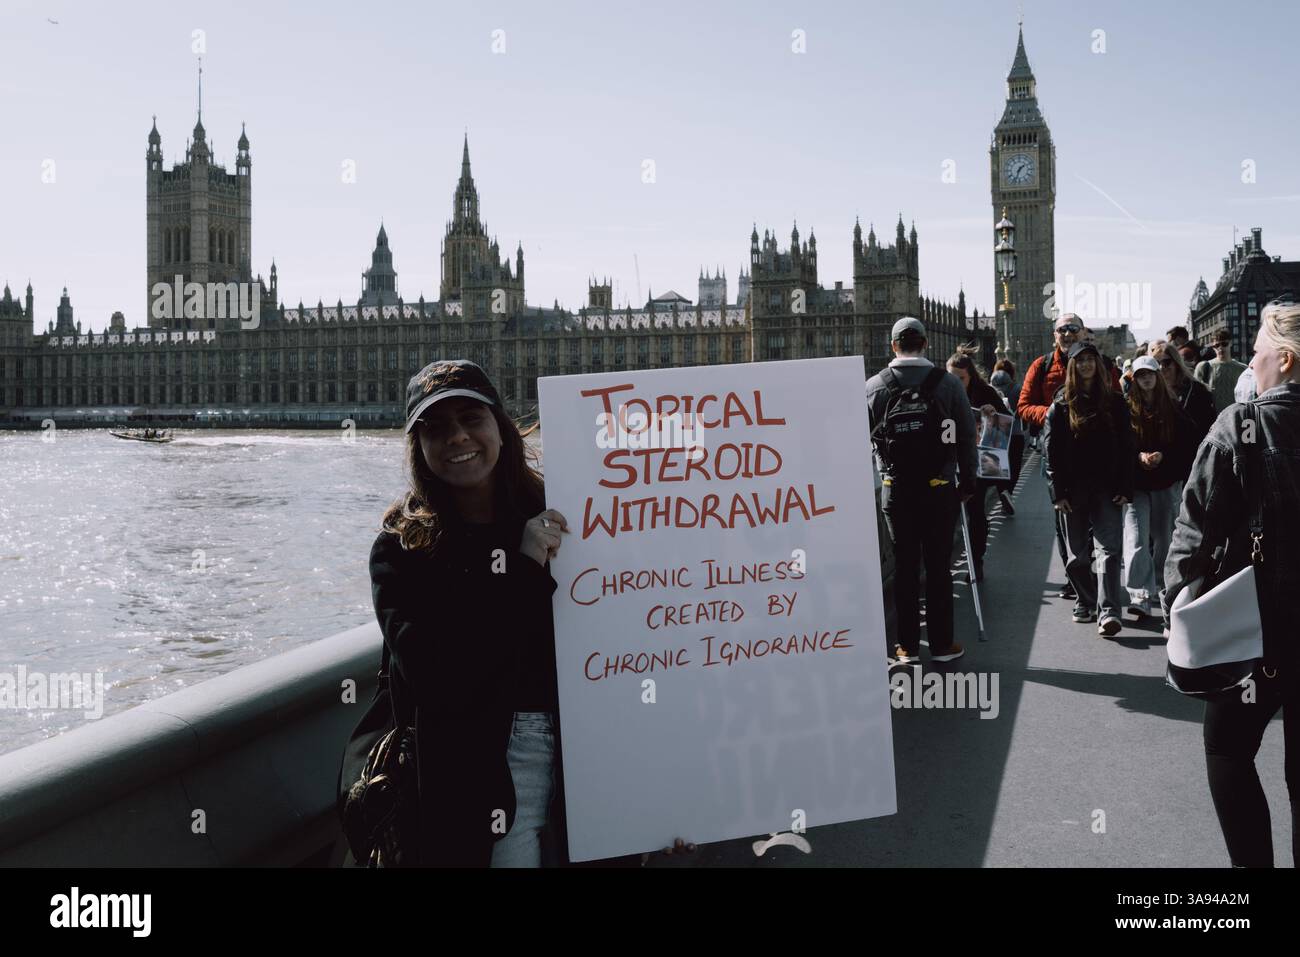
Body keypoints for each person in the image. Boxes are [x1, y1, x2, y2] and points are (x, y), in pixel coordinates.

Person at [367, 358, 572, 867]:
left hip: (587, 748)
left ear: (501, 428)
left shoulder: (570, 513)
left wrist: (666, 802)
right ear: (419, 449)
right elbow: (440, 680)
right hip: (481, 768)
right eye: (435, 428)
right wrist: (523, 568)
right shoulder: (401, 551)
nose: (456, 437)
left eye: (470, 419)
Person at [1164, 298, 1300, 867]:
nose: (1252, 360)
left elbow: (1193, 535)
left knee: (1228, 751)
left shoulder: (1239, 425)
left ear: (1286, 360)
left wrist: (1180, 605)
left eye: (1259, 350)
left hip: (1254, 634)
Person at [868, 317, 976, 665]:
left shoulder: (874, 387)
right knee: (938, 566)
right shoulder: (948, 385)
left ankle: (906, 647)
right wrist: (968, 480)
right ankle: (942, 645)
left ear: (893, 345)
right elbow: (966, 437)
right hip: (939, 488)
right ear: (926, 344)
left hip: (895, 490)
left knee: (905, 566)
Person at [1018, 315, 1122, 600]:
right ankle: (1076, 582)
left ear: (1082, 333)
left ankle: (1095, 584)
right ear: (1055, 336)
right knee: (1064, 518)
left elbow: (1117, 402)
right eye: (1061, 329)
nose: (1066, 333)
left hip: (1098, 457)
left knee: (1098, 525)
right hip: (1059, 451)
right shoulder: (1041, 366)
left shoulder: (1102, 364)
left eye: (1072, 329)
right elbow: (1024, 406)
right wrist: (1056, 416)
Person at [1043, 341, 1135, 637]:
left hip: (1107, 486)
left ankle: (1109, 612)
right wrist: (1057, 492)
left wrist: (1125, 484)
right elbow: (1051, 452)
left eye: (1090, 360)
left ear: (1098, 365)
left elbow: (1127, 446)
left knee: (1109, 550)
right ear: (1072, 366)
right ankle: (1087, 599)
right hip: (1073, 490)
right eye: (1080, 360)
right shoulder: (1060, 405)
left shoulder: (1115, 401)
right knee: (1077, 557)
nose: (1085, 365)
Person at [1121, 355, 1197, 620]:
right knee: (1137, 538)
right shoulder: (1126, 409)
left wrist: (1164, 456)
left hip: (1165, 483)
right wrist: (1138, 457)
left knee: (1164, 538)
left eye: (1150, 374)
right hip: (1137, 485)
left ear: (1157, 377)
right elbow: (1119, 446)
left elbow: (1187, 444)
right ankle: (1139, 594)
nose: (1146, 379)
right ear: (1134, 379)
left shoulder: (1173, 409)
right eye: (1140, 375)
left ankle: (1159, 584)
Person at [948, 347, 1014, 579]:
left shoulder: (985, 391)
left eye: (961, 379)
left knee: (975, 514)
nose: (956, 383)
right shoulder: (943, 392)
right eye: (952, 378)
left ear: (970, 376)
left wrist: (992, 413)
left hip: (980, 462)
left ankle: (976, 562)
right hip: (951, 461)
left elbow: (1007, 420)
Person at [1149, 339, 1216, 442]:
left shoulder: (1196, 390)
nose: (1162, 367)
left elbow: (1209, 427)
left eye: (1166, 362)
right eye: (1157, 363)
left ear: (1176, 363)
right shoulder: (1153, 393)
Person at [1195, 330, 1249, 414]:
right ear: (1213, 347)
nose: (1220, 348)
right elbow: (1196, 397)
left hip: (1235, 417)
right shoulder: (1204, 367)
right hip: (1212, 418)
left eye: (1224, 344)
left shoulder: (1243, 368)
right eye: (1217, 345)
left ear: (1230, 343)